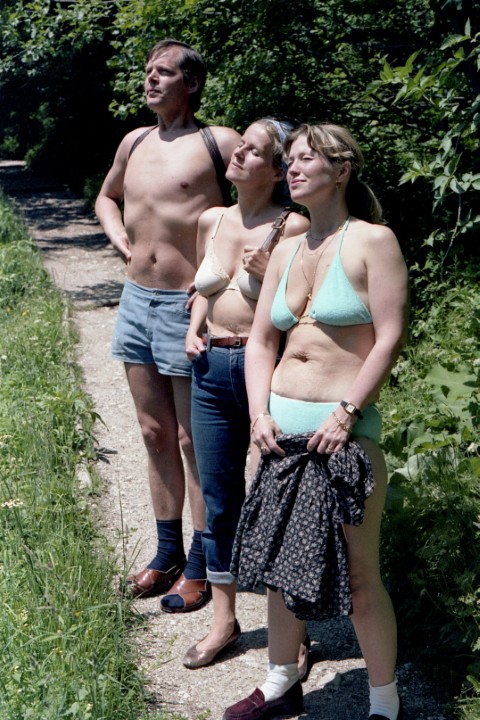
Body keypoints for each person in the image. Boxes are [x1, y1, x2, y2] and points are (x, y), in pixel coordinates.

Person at [223, 123, 409, 720]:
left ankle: (383, 703)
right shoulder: (286, 248)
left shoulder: (373, 241)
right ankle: (280, 683)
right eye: (290, 160)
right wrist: (258, 414)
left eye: (307, 159)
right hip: (279, 435)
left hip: (343, 438)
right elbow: (260, 342)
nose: (293, 168)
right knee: (280, 566)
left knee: (359, 576)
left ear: (342, 169)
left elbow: (390, 337)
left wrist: (347, 412)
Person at [95, 39, 241, 610]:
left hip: (188, 307)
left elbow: (260, 211)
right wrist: (120, 240)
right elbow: (107, 198)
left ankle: (202, 563)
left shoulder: (217, 142)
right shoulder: (134, 141)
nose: (151, 79)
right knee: (154, 433)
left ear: (192, 83)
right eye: (148, 71)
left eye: (164, 72)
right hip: (136, 301)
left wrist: (227, 275)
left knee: (191, 440)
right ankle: (166, 554)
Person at [180, 118, 310, 662]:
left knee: (281, 499)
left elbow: (304, 311)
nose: (238, 155)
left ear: (277, 171)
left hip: (270, 370)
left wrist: (272, 273)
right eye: (240, 147)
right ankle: (224, 621)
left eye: (254, 151)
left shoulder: (295, 226)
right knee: (218, 497)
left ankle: (294, 631)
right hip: (211, 367)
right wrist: (194, 329)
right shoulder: (212, 219)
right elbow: (203, 287)